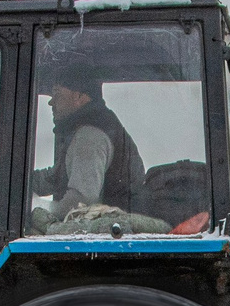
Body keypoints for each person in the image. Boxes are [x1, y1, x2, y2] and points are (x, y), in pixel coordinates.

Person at [31, 66, 145, 221]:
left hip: (104, 238)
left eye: (57, 93)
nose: (51, 102)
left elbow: (79, 205)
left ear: (78, 96)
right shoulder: (90, 128)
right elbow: (54, 177)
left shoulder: (89, 136)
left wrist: (34, 206)